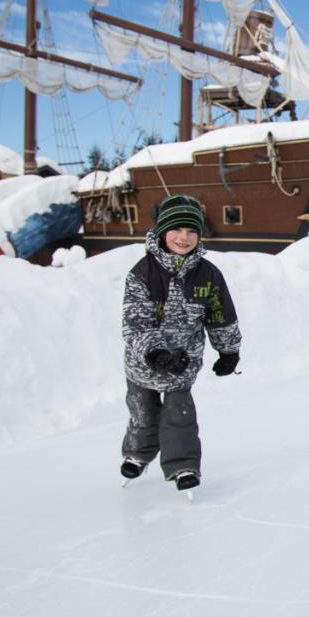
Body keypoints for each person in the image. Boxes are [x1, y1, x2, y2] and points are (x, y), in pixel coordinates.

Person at [119, 194, 242, 493]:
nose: (184, 238)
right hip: (143, 363)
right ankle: (138, 454)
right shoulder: (142, 273)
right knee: (143, 413)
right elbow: (135, 322)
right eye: (177, 230)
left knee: (180, 414)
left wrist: (228, 350)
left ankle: (183, 465)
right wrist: (156, 352)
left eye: (191, 231)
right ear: (162, 232)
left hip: (183, 363)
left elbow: (220, 315)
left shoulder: (209, 274)